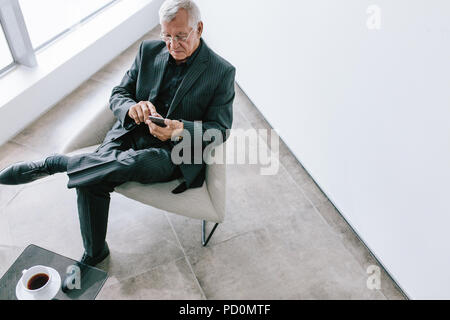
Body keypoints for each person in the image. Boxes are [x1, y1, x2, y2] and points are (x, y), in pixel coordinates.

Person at [0, 0, 236, 266]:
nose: (172, 44)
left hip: (172, 152)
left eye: (181, 36)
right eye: (166, 35)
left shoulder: (221, 72)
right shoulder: (148, 50)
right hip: (128, 134)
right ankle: (96, 252)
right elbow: (118, 94)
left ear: (199, 28)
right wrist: (132, 108)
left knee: (123, 165)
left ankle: (57, 164)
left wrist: (178, 130)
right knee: (93, 178)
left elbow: (219, 131)